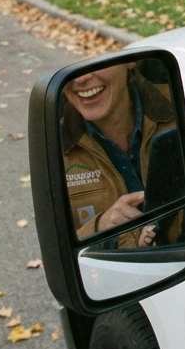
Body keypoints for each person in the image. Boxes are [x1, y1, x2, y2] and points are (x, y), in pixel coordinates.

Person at [61, 60, 179, 246]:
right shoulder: (54, 142)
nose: (81, 78)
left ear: (130, 61)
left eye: (97, 59)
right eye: (69, 64)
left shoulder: (183, 107)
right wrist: (99, 227)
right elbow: (59, 249)